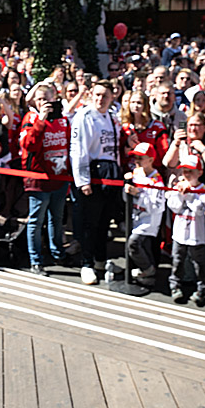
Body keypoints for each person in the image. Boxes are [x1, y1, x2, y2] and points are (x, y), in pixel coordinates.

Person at [70, 79, 122, 285]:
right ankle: (87, 263)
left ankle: (100, 259)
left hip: (110, 174)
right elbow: (79, 150)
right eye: (98, 95)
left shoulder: (111, 116)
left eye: (105, 96)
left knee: (104, 222)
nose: (101, 99)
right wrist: (83, 180)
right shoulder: (84, 116)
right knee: (89, 223)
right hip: (93, 173)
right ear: (91, 94)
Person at [19, 82, 72, 275]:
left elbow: (69, 145)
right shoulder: (30, 118)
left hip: (60, 177)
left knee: (56, 219)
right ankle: (35, 260)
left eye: (46, 99)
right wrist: (40, 120)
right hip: (38, 179)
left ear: (54, 100)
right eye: (39, 100)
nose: (43, 103)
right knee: (36, 220)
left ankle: (58, 253)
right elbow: (28, 145)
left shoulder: (63, 120)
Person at [166, 155, 205, 305]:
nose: (186, 174)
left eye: (190, 171)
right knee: (177, 261)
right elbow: (174, 206)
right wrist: (180, 193)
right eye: (184, 171)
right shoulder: (178, 187)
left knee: (199, 264)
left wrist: (189, 194)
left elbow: (200, 209)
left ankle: (201, 290)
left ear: (199, 173)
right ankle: (175, 287)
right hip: (179, 233)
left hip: (196, 235)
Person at [123, 142, 166, 286]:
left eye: (140, 158)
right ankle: (147, 275)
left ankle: (148, 269)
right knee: (144, 248)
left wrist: (138, 194)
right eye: (135, 157)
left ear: (151, 160)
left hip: (149, 221)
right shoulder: (135, 174)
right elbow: (126, 198)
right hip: (135, 217)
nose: (137, 161)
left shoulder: (157, 181)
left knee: (134, 244)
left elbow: (157, 207)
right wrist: (127, 186)